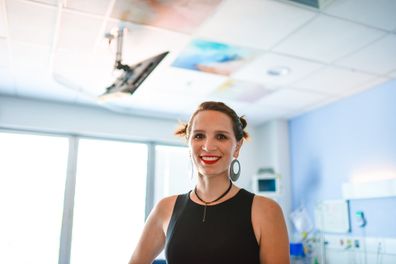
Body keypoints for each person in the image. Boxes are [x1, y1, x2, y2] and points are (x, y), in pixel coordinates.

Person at [129, 101, 290, 264]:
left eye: (221, 136)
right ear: (189, 143)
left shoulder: (266, 211)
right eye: (199, 136)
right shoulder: (165, 209)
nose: (208, 146)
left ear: (237, 147)